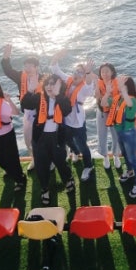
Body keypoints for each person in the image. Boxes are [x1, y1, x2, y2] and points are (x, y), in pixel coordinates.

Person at [20, 74, 75, 205]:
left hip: (57, 137)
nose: (50, 86)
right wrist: (30, 90)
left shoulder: (62, 99)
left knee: (61, 162)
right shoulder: (39, 97)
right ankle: (45, 188)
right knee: (41, 164)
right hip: (40, 137)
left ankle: (68, 179)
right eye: (47, 84)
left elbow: (67, 110)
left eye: (53, 84)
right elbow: (25, 104)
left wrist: (57, 95)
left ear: (60, 86)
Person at [50, 50, 97, 181]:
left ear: (84, 76)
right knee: (67, 140)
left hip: (77, 122)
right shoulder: (68, 80)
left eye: (81, 73)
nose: (77, 74)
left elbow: (90, 85)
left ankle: (88, 166)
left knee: (82, 145)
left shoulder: (84, 87)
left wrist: (88, 72)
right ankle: (75, 153)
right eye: (76, 71)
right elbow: (55, 68)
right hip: (65, 120)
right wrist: (56, 56)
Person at [1, 44, 41, 171]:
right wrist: (6, 57)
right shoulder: (20, 76)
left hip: (42, 115)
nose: (27, 68)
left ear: (36, 67)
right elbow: (8, 70)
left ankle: (49, 160)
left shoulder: (44, 78)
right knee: (28, 141)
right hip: (28, 114)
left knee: (43, 140)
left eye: (30, 66)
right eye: (25, 66)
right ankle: (34, 159)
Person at [0, 80, 27, 192]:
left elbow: (16, 112)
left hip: (7, 135)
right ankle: (9, 170)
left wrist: (9, 100)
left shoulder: (3, 104)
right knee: (0, 159)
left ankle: (20, 179)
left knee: (12, 158)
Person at [113, 76, 136, 198]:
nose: (120, 89)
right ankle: (130, 171)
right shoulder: (119, 99)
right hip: (119, 131)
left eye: (123, 87)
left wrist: (123, 91)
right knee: (125, 154)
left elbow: (130, 104)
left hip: (128, 133)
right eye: (120, 87)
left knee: (133, 158)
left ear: (128, 88)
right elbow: (105, 104)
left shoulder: (132, 100)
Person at [95, 62, 122, 170]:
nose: (105, 74)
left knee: (116, 135)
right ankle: (105, 156)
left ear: (112, 72)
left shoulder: (118, 82)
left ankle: (116, 155)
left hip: (115, 112)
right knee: (102, 134)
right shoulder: (98, 83)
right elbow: (97, 98)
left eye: (107, 71)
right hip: (102, 112)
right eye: (102, 72)